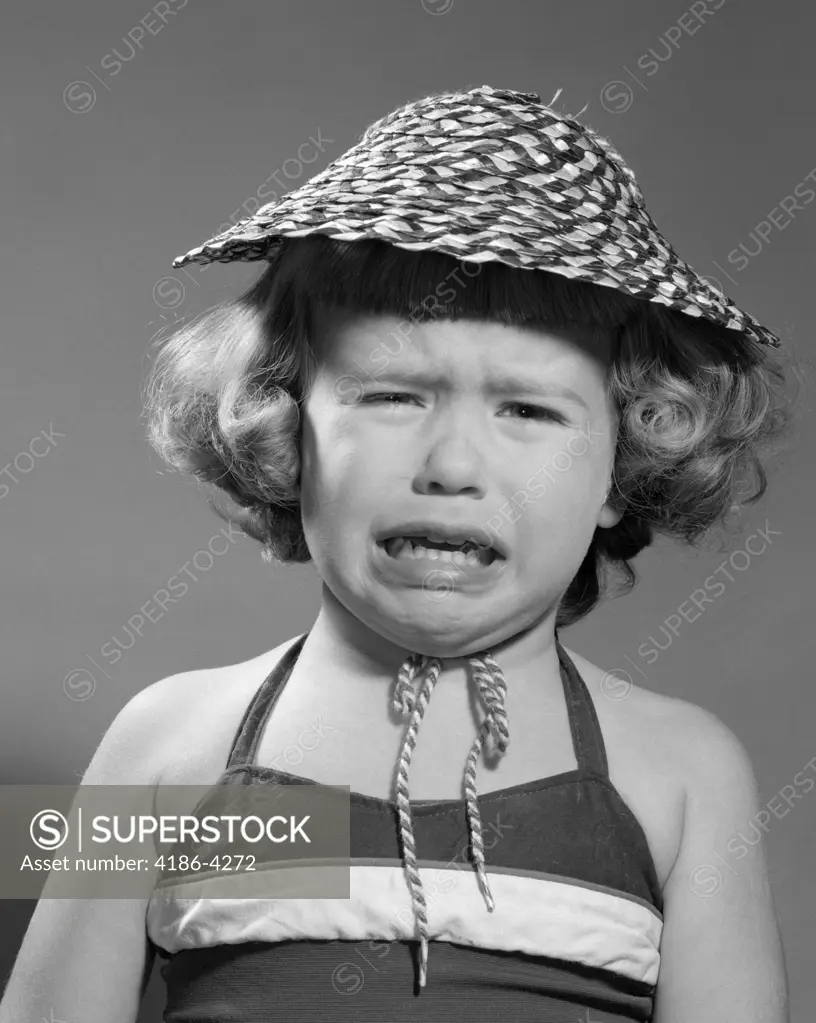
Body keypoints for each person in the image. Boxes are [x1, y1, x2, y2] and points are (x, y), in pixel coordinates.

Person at [1, 85, 795, 1023]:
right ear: (286, 432)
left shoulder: (680, 772)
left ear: (627, 462)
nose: (452, 464)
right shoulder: (169, 746)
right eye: (391, 396)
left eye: (528, 409)